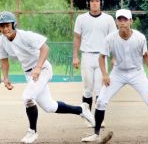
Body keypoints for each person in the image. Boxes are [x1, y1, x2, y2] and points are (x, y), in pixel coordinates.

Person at [81, 9, 148, 142]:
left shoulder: (139, 38)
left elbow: (146, 56)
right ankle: (96, 134)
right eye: (120, 19)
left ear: (131, 21)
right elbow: (102, 57)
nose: (122, 22)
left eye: (125, 19)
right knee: (101, 101)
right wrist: (105, 74)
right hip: (118, 73)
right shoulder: (110, 39)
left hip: (137, 73)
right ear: (116, 22)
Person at [0, 11, 95, 144]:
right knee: (49, 107)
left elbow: (45, 48)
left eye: (7, 25)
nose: (5, 29)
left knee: (27, 97)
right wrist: (5, 77)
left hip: (43, 69)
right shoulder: (2, 41)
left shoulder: (25, 36)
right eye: (1, 26)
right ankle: (81, 109)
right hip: (30, 74)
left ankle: (32, 132)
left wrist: (38, 67)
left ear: (13, 25)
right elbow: (4, 60)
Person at [73, 0, 117, 118]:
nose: (94, 3)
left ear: (101, 3)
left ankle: (98, 119)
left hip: (102, 57)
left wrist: (114, 56)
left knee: (100, 89)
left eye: (97, 1)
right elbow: (77, 38)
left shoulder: (108, 19)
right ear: (88, 3)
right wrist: (75, 56)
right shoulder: (81, 19)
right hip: (86, 55)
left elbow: (113, 40)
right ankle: (87, 117)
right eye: (92, 1)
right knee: (87, 89)